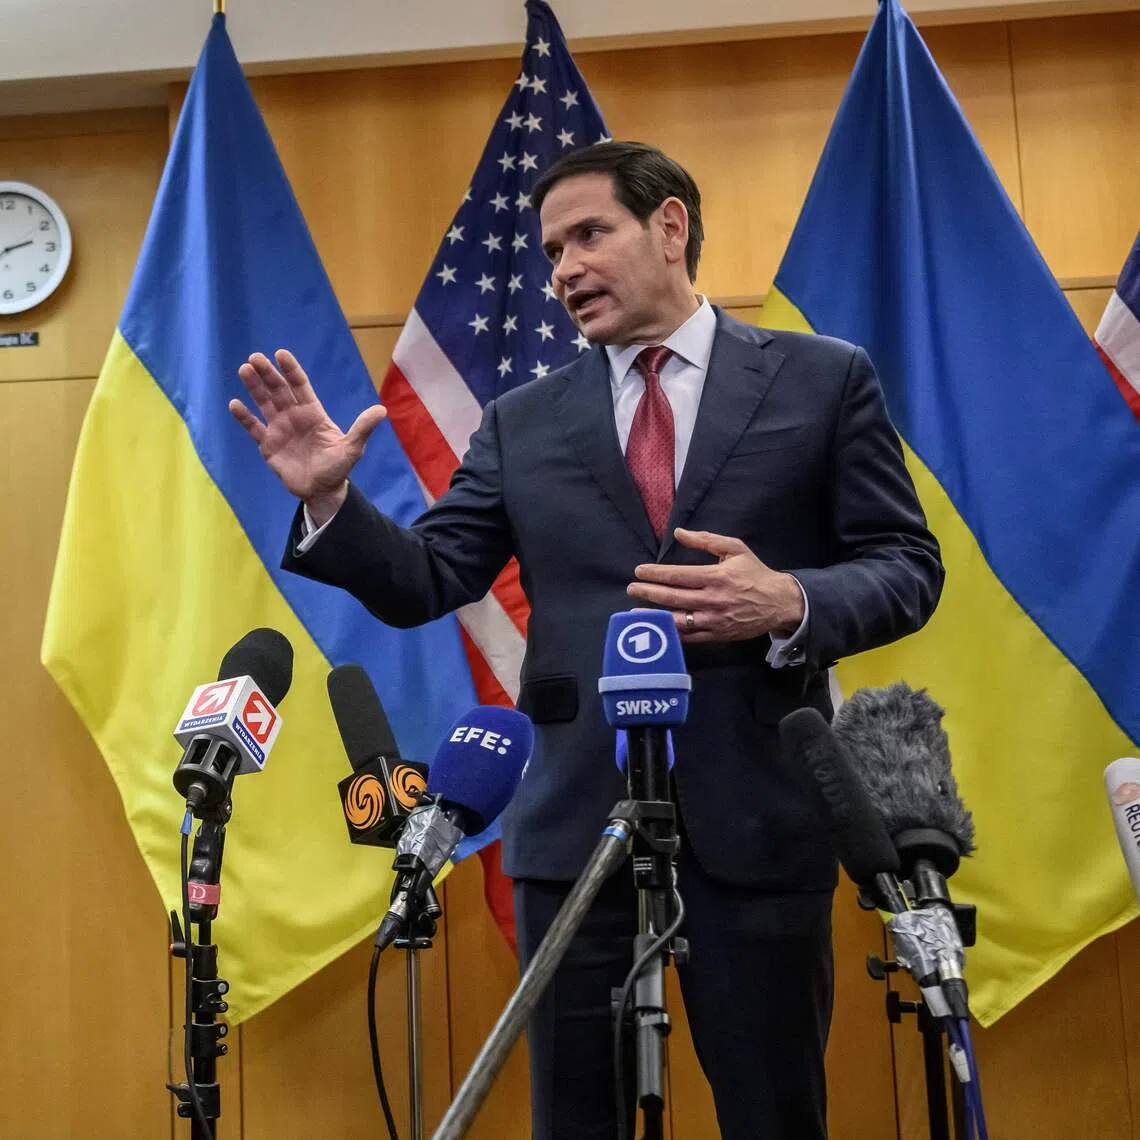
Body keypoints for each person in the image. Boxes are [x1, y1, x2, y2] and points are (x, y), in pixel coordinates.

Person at [230, 140, 943, 1139]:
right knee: (574, 1118)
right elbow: (433, 575)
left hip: (758, 812)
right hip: (574, 826)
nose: (562, 269)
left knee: (776, 1115)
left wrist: (788, 599)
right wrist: (333, 503)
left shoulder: (821, 381)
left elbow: (907, 567)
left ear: (670, 227)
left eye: (588, 235)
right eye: (551, 248)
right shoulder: (525, 421)